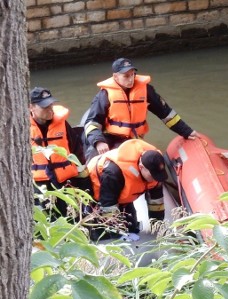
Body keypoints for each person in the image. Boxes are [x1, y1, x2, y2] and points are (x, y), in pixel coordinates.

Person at [82, 57, 198, 160]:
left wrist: (186, 131)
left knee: (148, 161)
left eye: (132, 74)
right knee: (94, 154)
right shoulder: (104, 95)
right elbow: (92, 123)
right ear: (115, 77)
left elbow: (166, 114)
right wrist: (99, 142)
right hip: (110, 137)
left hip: (134, 138)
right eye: (126, 76)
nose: (131, 79)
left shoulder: (146, 90)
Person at [86, 139, 168, 241]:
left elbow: (156, 201)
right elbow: (108, 204)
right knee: (100, 235)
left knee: (132, 228)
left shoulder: (155, 173)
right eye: (152, 175)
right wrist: (117, 233)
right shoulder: (114, 172)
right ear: (141, 167)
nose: (155, 179)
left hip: (122, 194)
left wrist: (157, 224)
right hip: (98, 192)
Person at [29, 87, 92, 217]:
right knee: (46, 217)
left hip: (64, 179)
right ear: (31, 107)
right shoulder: (21, 127)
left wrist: (82, 178)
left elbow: (76, 149)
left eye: (51, 104)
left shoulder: (62, 124)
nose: (50, 109)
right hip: (39, 183)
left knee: (70, 215)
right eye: (44, 107)